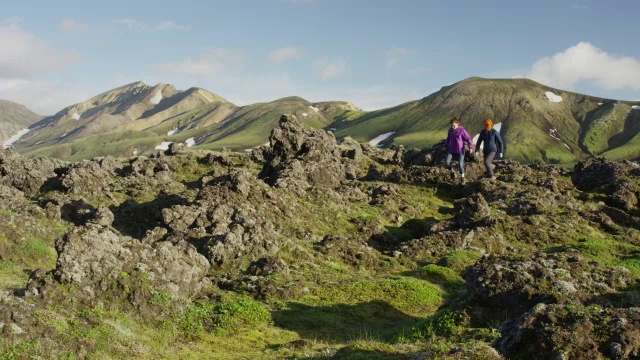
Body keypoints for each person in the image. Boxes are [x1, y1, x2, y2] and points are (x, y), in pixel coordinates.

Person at [445, 117, 474, 185]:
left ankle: (462, 178)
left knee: (460, 165)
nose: (452, 127)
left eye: (454, 125)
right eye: (452, 125)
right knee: (447, 163)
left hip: (460, 150)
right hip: (451, 150)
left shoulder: (462, 130)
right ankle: (452, 171)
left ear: (457, 124)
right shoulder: (450, 130)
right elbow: (448, 138)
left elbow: (468, 138)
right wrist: (446, 145)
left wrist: (470, 147)